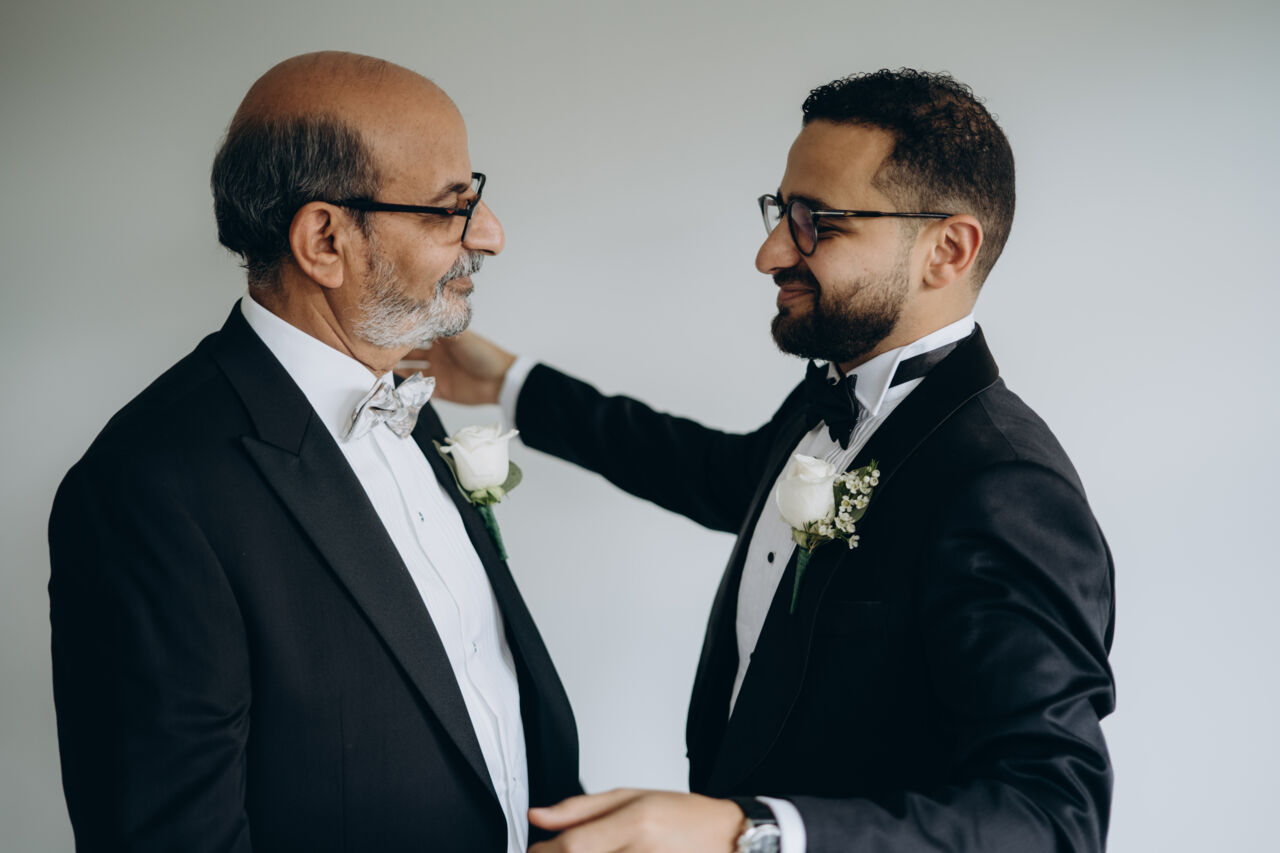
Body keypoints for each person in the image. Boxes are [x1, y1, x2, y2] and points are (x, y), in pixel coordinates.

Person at [421, 69, 1116, 852]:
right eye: (780, 213)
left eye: (818, 222)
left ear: (947, 250)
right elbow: (715, 474)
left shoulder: (1007, 486)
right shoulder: (832, 393)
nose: (770, 252)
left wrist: (751, 831)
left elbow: (1052, 820)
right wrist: (509, 383)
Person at [48, 51, 580, 852]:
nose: (491, 235)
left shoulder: (412, 407)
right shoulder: (145, 490)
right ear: (325, 240)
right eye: (453, 208)